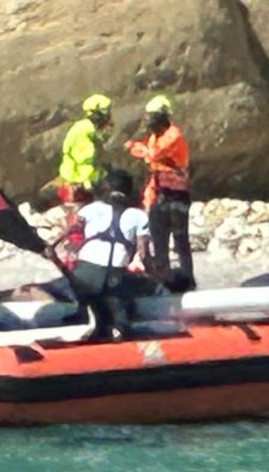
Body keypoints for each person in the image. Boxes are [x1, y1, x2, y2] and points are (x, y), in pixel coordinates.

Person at [128, 93, 195, 292]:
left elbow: (153, 154)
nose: (149, 122)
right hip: (159, 193)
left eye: (153, 117)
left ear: (163, 117)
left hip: (176, 194)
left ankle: (187, 278)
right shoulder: (154, 137)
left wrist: (136, 147)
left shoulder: (173, 135)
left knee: (180, 238)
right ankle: (162, 278)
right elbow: (147, 154)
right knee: (159, 238)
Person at [68, 179, 149, 338]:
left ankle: (87, 325)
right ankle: (119, 332)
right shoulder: (138, 215)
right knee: (118, 310)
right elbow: (143, 252)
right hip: (115, 271)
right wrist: (152, 272)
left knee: (90, 303)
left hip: (86, 268)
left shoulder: (89, 209)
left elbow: (72, 232)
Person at [54, 93, 115, 205]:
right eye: (106, 112)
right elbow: (87, 161)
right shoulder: (86, 130)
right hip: (78, 183)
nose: (109, 116)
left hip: (84, 181)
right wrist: (91, 184)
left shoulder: (87, 128)